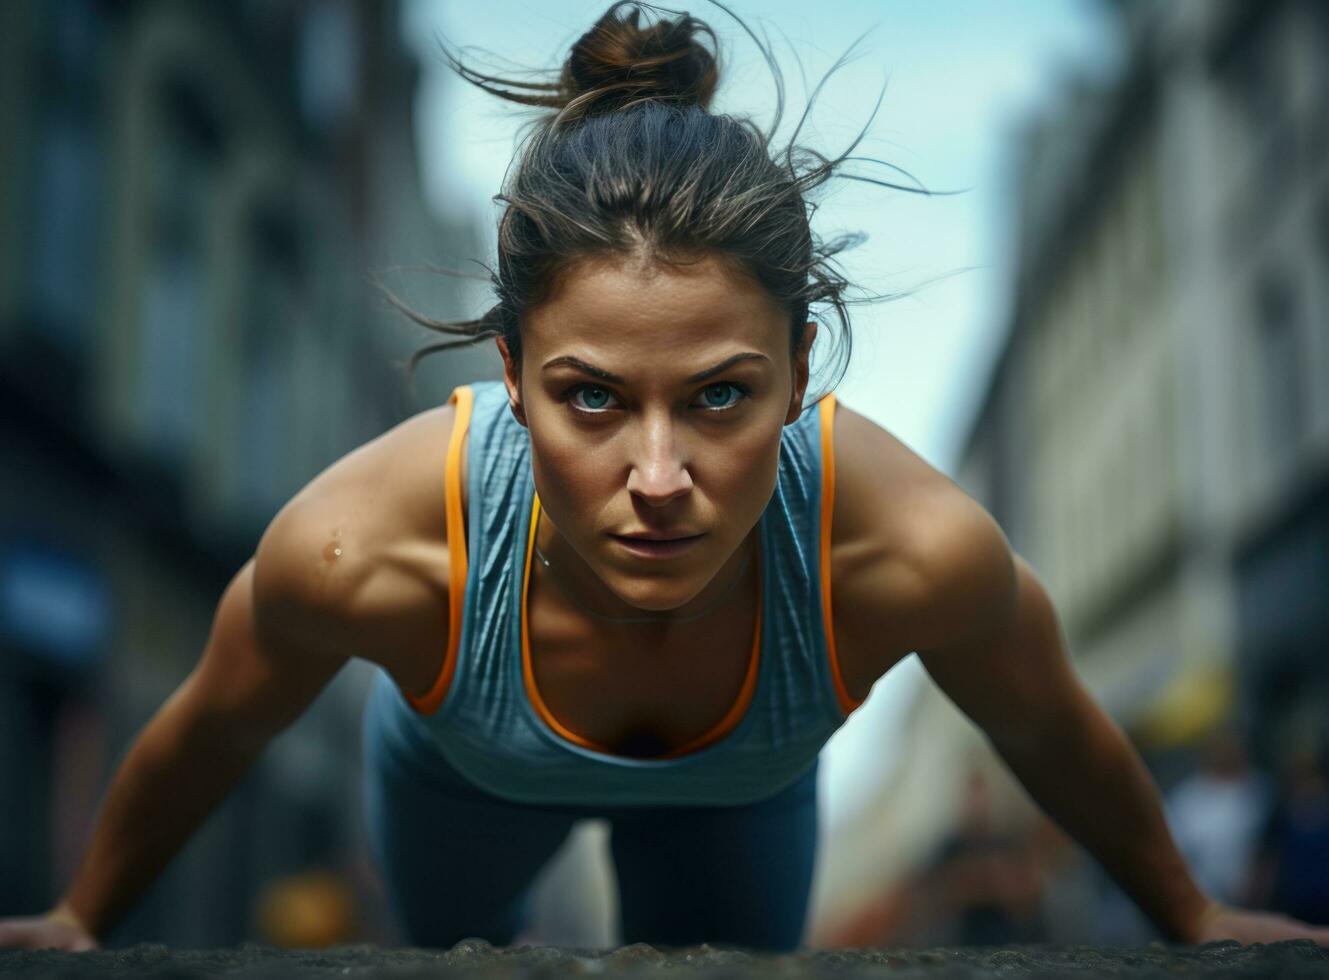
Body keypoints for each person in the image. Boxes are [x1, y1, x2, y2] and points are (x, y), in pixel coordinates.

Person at [3, 0, 1329, 955]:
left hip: (740, 794)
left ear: (800, 370)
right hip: (464, 783)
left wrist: (1194, 916)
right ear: (512, 372)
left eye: (719, 398)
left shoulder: (911, 553)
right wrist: (79, 915)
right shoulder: (365, 548)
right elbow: (216, 723)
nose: (656, 476)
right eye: (589, 398)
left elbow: (1045, 729)